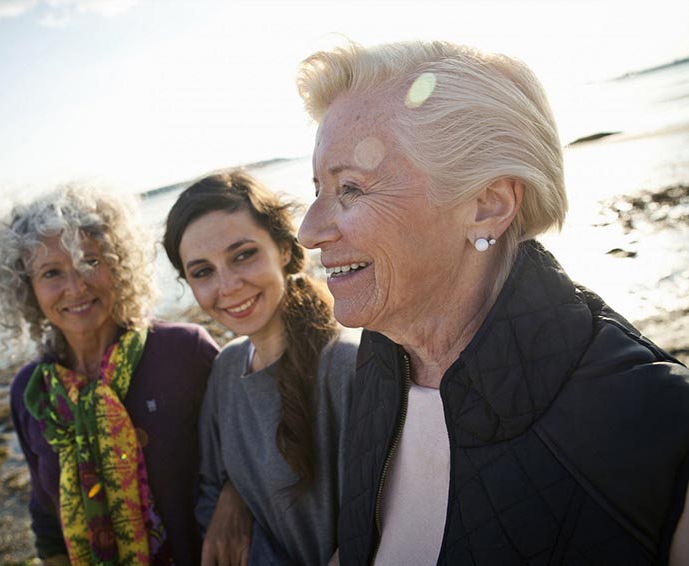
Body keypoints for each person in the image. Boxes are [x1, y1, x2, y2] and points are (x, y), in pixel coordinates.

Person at [294, 40, 689, 565]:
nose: (308, 231)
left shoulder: (659, 428)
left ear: (488, 206)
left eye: (350, 189)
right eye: (317, 187)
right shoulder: (380, 363)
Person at [0, 184, 219, 565]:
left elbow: (248, 462)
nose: (75, 287)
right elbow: (46, 519)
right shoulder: (30, 392)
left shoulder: (185, 350)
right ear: (26, 289)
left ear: (117, 263)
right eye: (52, 273)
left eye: (90, 262)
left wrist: (234, 504)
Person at [163, 170, 360, 566]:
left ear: (284, 250)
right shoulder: (226, 368)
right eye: (202, 271)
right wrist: (232, 494)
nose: (228, 285)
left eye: (243, 255)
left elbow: (384, 522)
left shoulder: (346, 364)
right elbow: (208, 491)